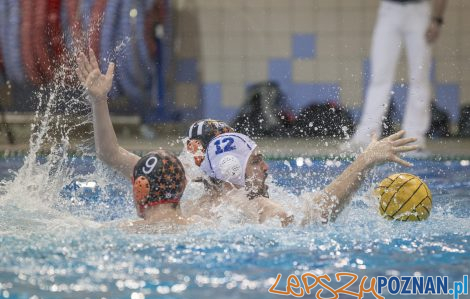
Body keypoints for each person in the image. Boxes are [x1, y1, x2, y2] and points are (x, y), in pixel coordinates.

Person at [200, 130, 418, 225]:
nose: (266, 167)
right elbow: (316, 216)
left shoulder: (194, 207)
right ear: (232, 173)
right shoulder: (257, 205)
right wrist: (365, 160)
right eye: (255, 162)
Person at [76, 49, 191, 227]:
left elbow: (109, 153)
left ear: (140, 190)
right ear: (183, 185)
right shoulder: (204, 223)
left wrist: (98, 101)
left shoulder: (125, 229)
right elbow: (111, 154)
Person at [349, 0, 448, 150]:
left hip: (419, 11)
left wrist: (437, 19)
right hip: (390, 9)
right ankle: (366, 135)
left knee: (419, 77)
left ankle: (414, 137)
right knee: (379, 77)